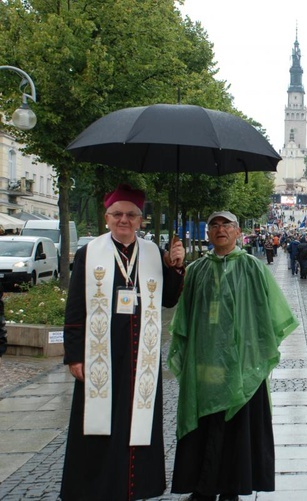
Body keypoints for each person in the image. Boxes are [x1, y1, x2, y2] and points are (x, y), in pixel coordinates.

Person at [61, 184, 186, 500]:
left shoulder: (154, 253)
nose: (124, 220)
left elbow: (169, 300)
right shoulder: (89, 253)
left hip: (140, 357)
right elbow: (75, 310)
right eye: (118, 214)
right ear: (107, 217)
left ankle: (137, 487)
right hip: (101, 354)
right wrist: (74, 356)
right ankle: (96, 488)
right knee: (98, 425)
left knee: (137, 424)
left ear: (141, 220)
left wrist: (176, 267)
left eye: (131, 215)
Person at [168, 211, 299, 500]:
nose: (220, 230)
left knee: (237, 427)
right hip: (205, 364)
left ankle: (232, 486)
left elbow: (269, 315)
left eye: (226, 225)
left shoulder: (252, 268)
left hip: (240, 365)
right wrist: (176, 267)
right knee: (207, 425)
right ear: (208, 233)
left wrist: (254, 347)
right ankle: (203, 486)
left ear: (238, 231)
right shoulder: (198, 269)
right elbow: (183, 316)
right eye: (214, 225)